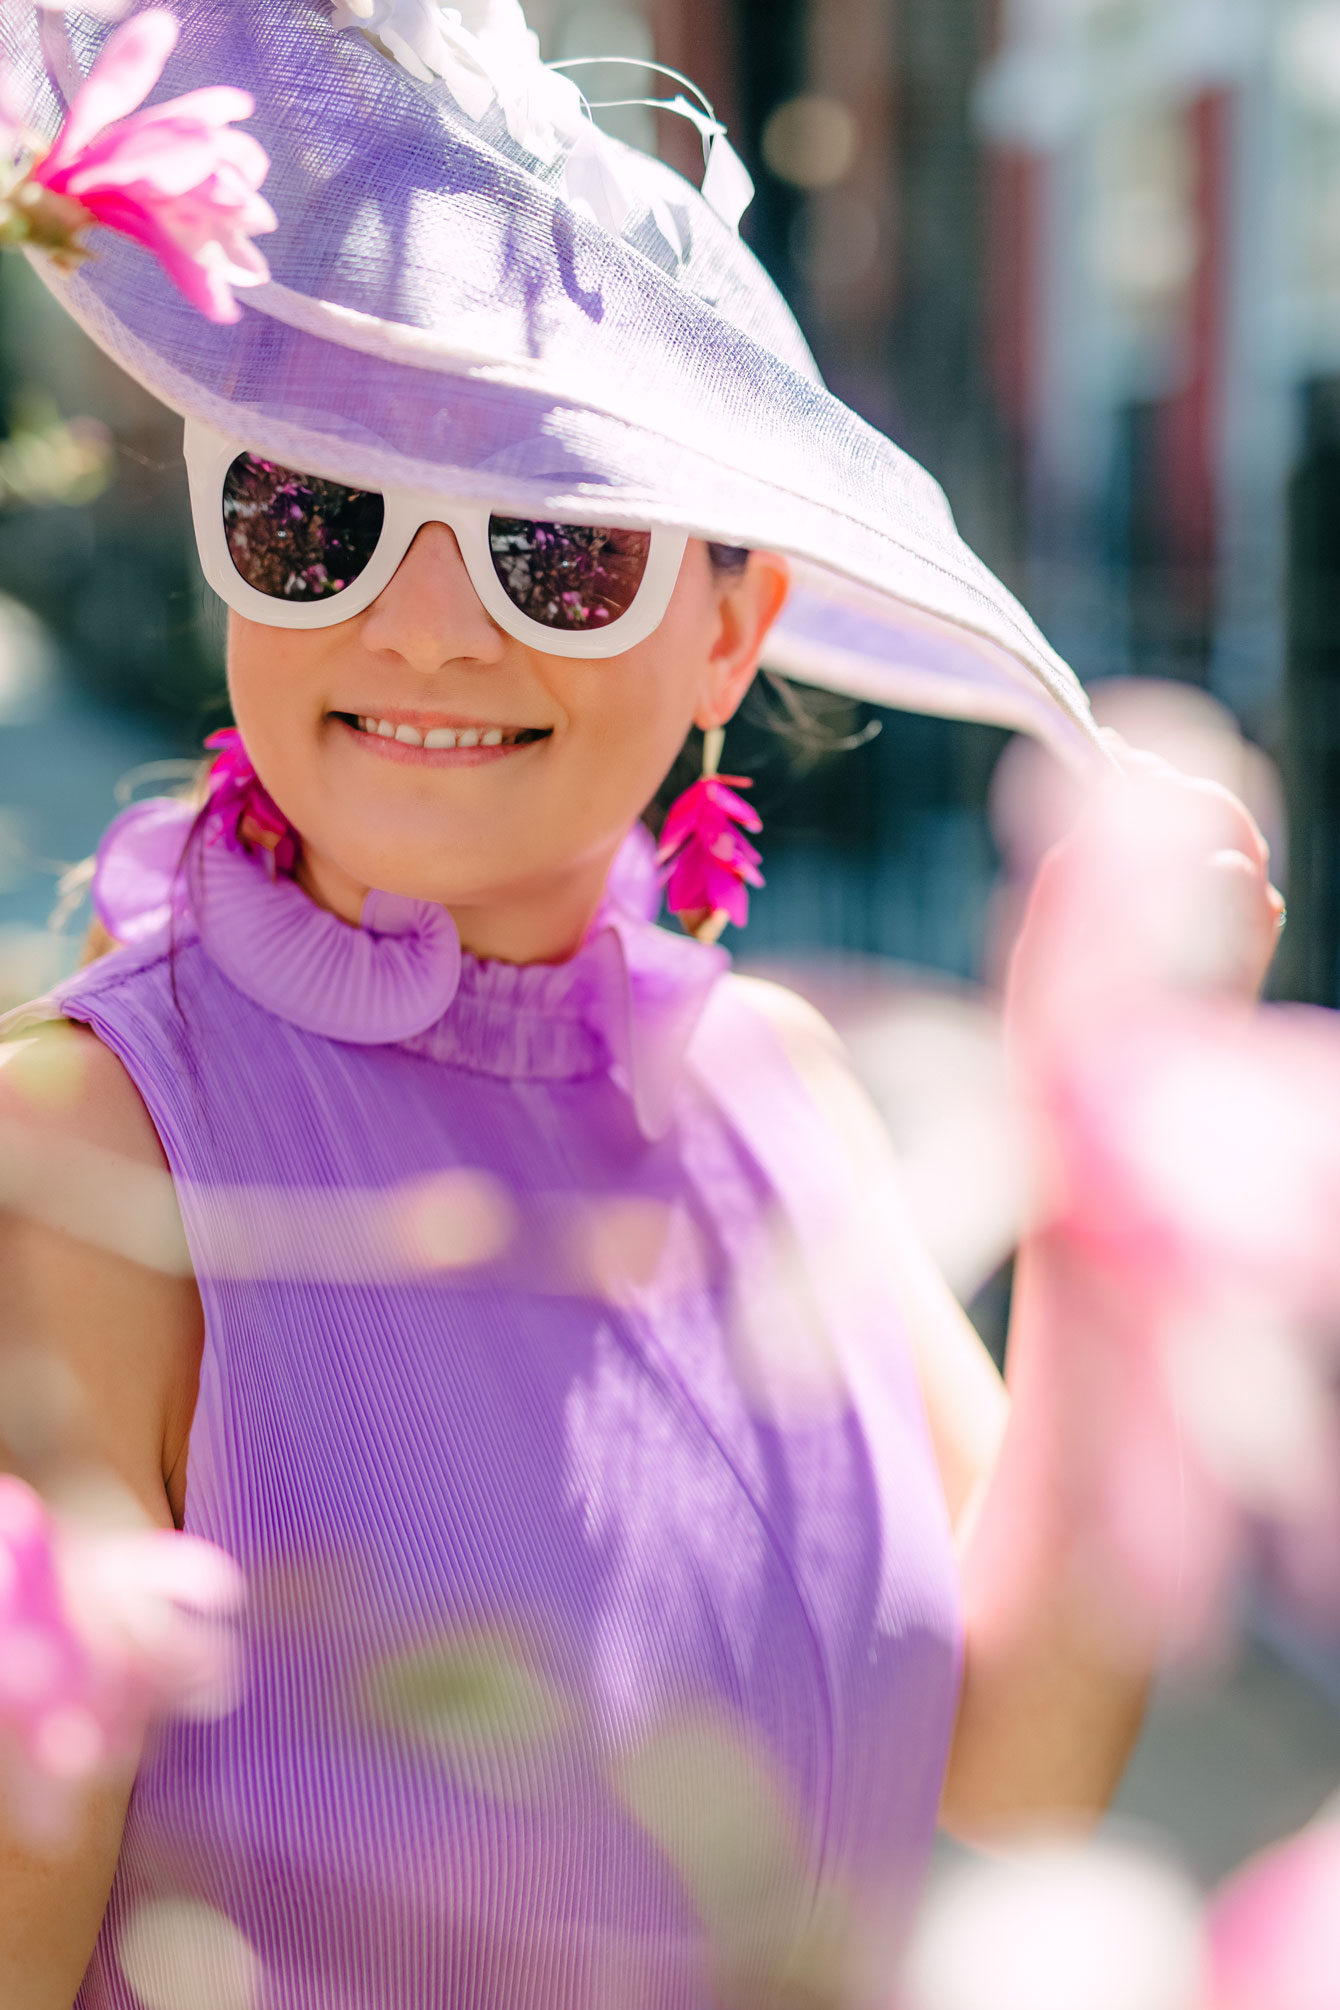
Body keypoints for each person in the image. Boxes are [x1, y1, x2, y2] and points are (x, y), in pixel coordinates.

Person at [0, 2, 1282, 2005]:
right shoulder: (82, 1155)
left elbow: (1018, 1763)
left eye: (551, 546)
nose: (417, 623)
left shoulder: (780, 1092)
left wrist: (1102, 1125)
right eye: (313, 511)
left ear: (728, 626)